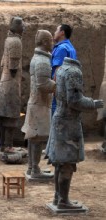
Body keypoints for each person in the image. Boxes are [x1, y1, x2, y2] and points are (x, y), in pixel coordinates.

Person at [45, 57, 103, 209]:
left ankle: (58, 198)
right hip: (68, 123)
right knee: (67, 164)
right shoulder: (74, 71)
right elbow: (75, 100)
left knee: (60, 163)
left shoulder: (61, 69)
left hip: (60, 119)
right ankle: (63, 201)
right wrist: (93, 104)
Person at [21, 30, 55, 179]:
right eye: (51, 41)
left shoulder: (39, 58)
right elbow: (43, 84)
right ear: (45, 42)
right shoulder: (42, 61)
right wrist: (58, 84)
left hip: (37, 103)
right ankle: (35, 169)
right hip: (40, 103)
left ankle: (31, 167)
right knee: (37, 137)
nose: (53, 43)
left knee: (34, 137)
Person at [0, 17, 25, 153]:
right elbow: (13, 66)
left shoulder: (8, 39)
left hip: (4, 82)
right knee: (11, 117)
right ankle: (8, 145)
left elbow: (2, 63)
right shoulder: (16, 41)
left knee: (5, 117)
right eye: (22, 25)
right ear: (17, 26)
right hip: (11, 83)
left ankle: (4, 145)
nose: (24, 28)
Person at [51, 24, 77, 115]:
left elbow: (58, 70)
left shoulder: (61, 48)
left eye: (56, 30)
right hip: (69, 88)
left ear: (62, 33)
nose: (54, 32)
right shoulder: (71, 48)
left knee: (55, 116)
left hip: (59, 89)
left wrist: (53, 89)